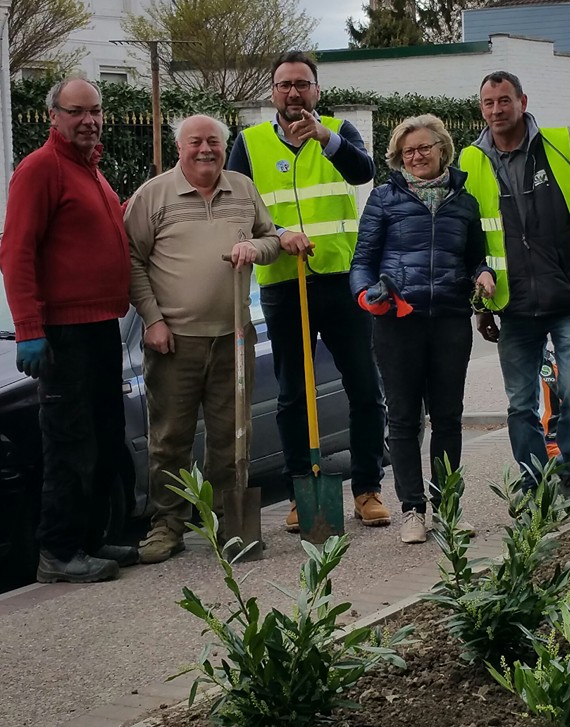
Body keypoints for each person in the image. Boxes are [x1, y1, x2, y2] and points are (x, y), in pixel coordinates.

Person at [226, 50, 390, 532]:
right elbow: (239, 207)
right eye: (284, 85)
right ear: (272, 92)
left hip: (343, 279)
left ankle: (367, 488)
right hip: (283, 282)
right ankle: (303, 488)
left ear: (316, 91)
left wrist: (327, 138)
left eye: (302, 84)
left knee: (364, 385)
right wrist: (277, 235)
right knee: (294, 394)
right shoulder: (250, 143)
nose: (293, 92)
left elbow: (364, 173)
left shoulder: (340, 133)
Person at [124, 114, 280, 564]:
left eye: (213, 141)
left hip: (234, 336)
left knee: (232, 436)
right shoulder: (153, 195)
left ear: (223, 145)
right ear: (180, 147)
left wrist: (257, 248)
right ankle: (167, 525)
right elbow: (132, 261)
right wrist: (152, 320)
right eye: (196, 142)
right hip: (174, 341)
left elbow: (271, 238)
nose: (206, 149)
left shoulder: (242, 189)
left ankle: (227, 524)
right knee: (169, 437)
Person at [458, 71, 570, 519]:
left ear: (522, 101)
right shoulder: (471, 161)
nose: (495, 110)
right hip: (513, 306)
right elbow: (474, 241)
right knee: (520, 403)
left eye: (503, 101)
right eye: (487, 103)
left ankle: (569, 478)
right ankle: (532, 483)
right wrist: (480, 307)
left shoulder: (560, 146)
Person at [0, 76, 136, 583]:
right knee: (69, 442)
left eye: (95, 111)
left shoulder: (92, 172)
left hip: (102, 326)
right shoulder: (39, 170)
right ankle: (57, 552)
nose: (89, 120)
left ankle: (93, 538)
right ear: (53, 115)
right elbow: (16, 253)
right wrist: (30, 328)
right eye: (77, 112)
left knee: (104, 434)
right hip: (62, 333)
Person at [350, 115, 495, 544]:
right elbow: (361, 262)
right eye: (408, 151)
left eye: (424, 148)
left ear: (441, 149)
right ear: (399, 157)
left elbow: (476, 257)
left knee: (448, 418)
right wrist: (366, 295)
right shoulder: (383, 200)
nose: (417, 156)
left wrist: (483, 272)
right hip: (397, 321)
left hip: (450, 319)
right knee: (403, 419)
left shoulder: (464, 202)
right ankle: (413, 510)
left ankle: (448, 508)